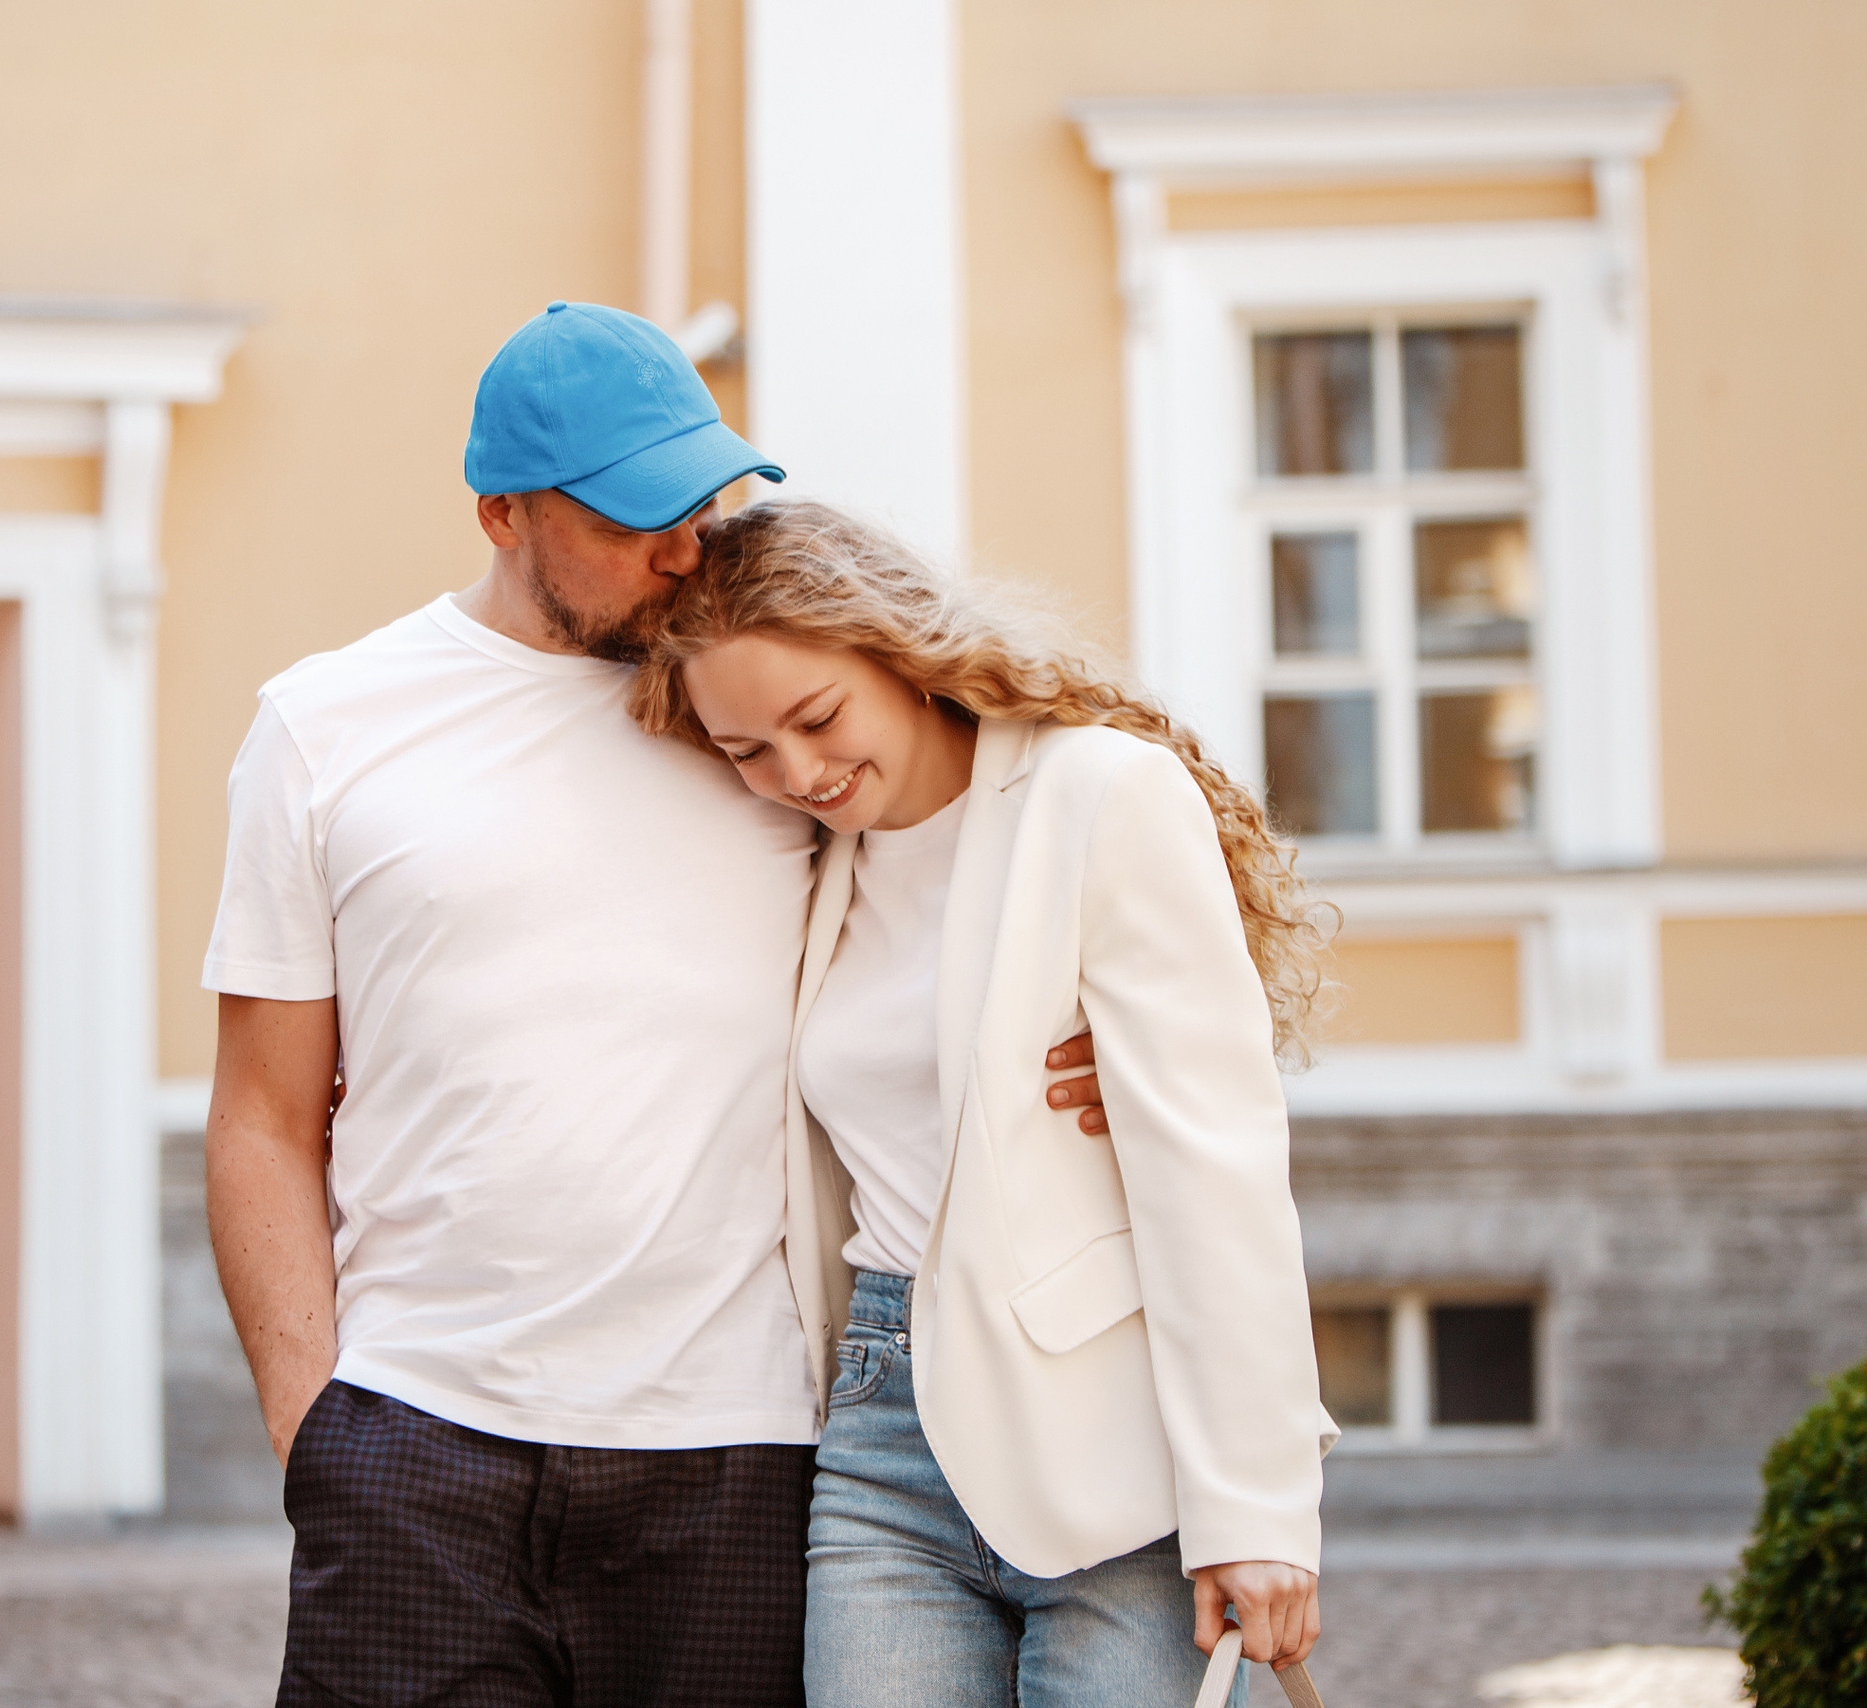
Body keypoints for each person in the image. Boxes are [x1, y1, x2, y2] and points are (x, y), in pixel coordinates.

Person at [202, 303, 1106, 1707]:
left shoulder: (763, 720)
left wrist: (1099, 1030)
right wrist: (316, 1427)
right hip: (420, 1447)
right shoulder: (325, 726)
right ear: (502, 513)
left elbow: (1012, 849)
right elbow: (261, 1114)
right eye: (633, 518)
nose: (684, 546)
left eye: (700, 501)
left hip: (734, 1454)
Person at [628, 500, 1338, 1707]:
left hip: (1108, 1442)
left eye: (816, 718)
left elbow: (1211, 1167)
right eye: (747, 750)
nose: (797, 773)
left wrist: (1257, 1503)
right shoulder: (807, 861)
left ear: (898, 650)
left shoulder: (1098, 795)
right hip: (876, 1431)